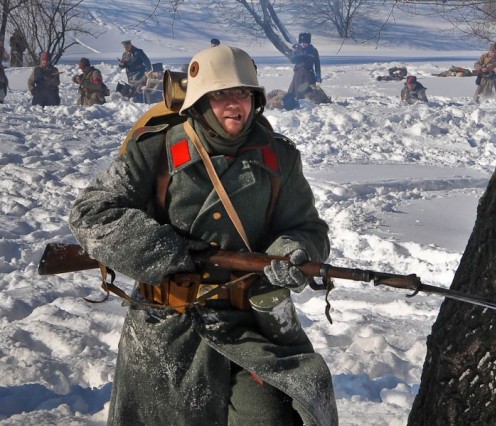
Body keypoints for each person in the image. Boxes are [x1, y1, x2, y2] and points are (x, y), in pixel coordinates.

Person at [69, 45, 338, 426]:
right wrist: (169, 251)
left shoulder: (278, 158)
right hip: (169, 326)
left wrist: (292, 250)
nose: (234, 105)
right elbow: (91, 213)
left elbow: (308, 228)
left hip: (250, 326)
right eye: (221, 95)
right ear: (199, 101)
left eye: (242, 93)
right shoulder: (157, 150)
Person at [287, 32, 321, 100]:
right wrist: (294, 53)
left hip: (309, 73)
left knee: (309, 92)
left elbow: (317, 64)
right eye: (301, 43)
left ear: (308, 42)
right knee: (294, 91)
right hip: (298, 73)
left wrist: (318, 75)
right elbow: (292, 61)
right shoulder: (297, 49)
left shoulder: (313, 50)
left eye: (305, 43)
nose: (303, 44)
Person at [0, 37, 9, 103]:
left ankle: (1, 98)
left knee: (4, 82)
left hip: (0, 69)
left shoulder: (2, 49)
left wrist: (6, 56)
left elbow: (6, 59)